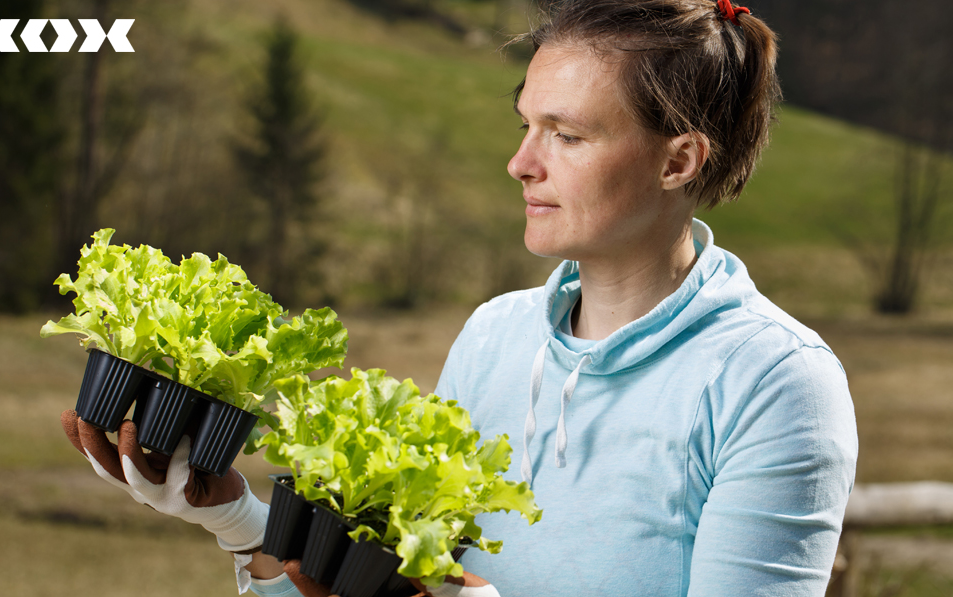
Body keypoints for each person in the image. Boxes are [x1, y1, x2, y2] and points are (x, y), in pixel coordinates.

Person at [61, 1, 858, 595]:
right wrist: (233, 516)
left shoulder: (774, 383)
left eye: (567, 135)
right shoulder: (494, 338)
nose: (520, 163)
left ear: (679, 159)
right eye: (525, 126)